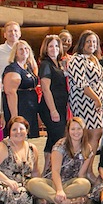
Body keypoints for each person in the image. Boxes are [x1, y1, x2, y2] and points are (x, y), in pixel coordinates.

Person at [26, 116, 93, 204]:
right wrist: (59, 190)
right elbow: (55, 172)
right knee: (32, 183)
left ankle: (50, 200)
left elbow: (81, 175)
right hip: (53, 182)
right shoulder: (60, 145)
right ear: (68, 131)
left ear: (83, 130)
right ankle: (67, 202)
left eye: (79, 129)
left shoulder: (87, 148)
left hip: (70, 183)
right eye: (73, 129)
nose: (76, 132)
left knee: (85, 184)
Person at [67, 30, 103, 149]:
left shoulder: (94, 58)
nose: (91, 44)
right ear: (82, 43)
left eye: (94, 42)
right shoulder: (77, 59)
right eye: (88, 41)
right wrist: (97, 99)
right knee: (90, 134)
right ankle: (85, 165)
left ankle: (88, 165)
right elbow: (82, 84)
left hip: (95, 103)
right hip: (84, 102)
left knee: (96, 134)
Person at [38, 34, 68, 172]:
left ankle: (47, 170)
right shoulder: (46, 64)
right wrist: (53, 110)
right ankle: (53, 170)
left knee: (52, 139)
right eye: (51, 46)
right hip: (51, 107)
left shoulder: (58, 63)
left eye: (56, 45)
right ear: (46, 48)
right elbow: (45, 88)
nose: (54, 48)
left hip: (60, 106)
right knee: (57, 139)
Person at [2, 39, 40, 138]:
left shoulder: (28, 67)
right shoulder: (13, 69)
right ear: (15, 53)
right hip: (20, 107)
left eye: (26, 49)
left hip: (30, 107)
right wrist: (15, 117)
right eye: (21, 49)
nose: (24, 51)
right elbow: (10, 93)